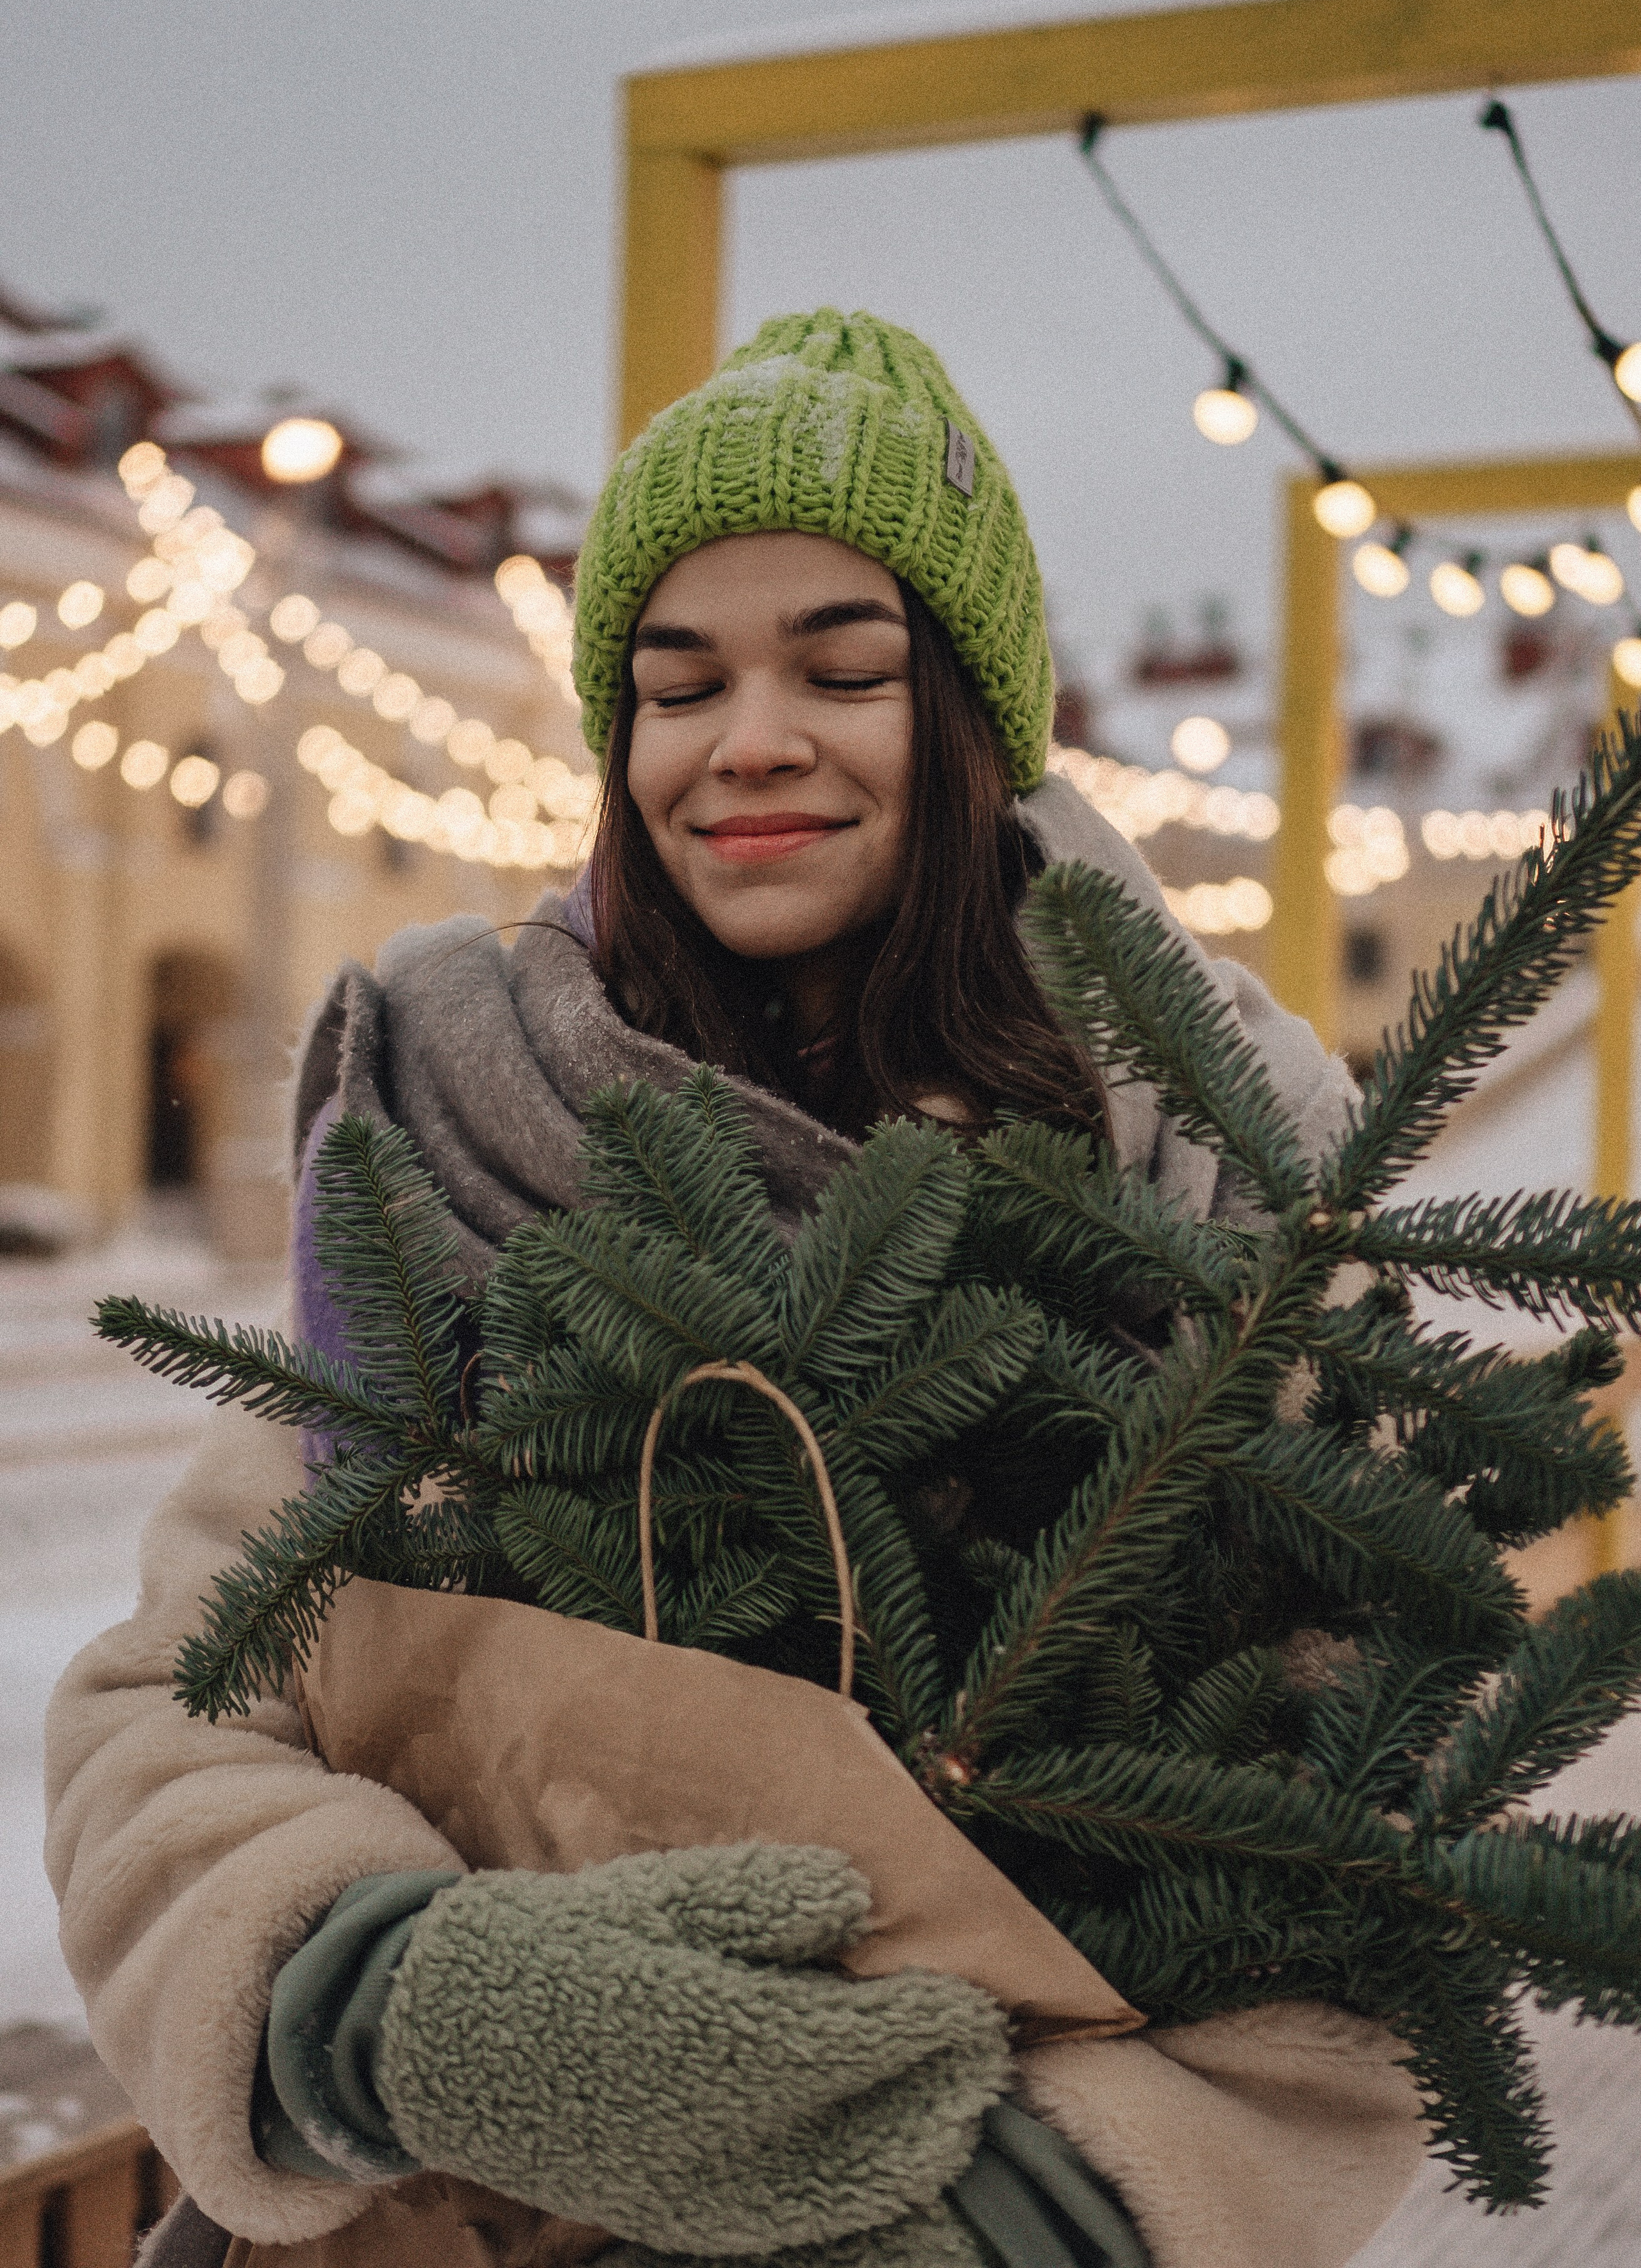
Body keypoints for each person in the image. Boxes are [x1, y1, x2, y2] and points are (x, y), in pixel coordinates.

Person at [46, 312, 1421, 2268]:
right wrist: (395, 2006)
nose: (747, 740)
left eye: (842, 670)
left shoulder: (1216, 1167)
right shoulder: (454, 1117)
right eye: (675, 685)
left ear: (966, 725)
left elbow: (1353, 1838)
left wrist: (1014, 2219)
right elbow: (172, 1699)